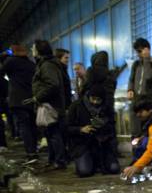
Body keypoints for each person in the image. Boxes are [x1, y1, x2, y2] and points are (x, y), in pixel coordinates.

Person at [32, 40, 71, 169]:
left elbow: (53, 84)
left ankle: (59, 161)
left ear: (38, 50)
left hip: (51, 105)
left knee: (54, 133)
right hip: (54, 104)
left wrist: (38, 96)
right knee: (50, 133)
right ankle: (53, 159)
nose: (32, 50)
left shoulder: (47, 65)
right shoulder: (47, 64)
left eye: (33, 48)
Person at [66, 85, 119, 177]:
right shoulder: (76, 106)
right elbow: (66, 128)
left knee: (114, 168)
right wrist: (80, 129)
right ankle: (88, 162)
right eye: (93, 99)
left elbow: (112, 129)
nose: (95, 102)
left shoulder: (107, 108)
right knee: (84, 172)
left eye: (98, 100)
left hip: (103, 146)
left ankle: (98, 162)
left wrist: (103, 127)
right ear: (88, 96)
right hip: (83, 145)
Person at [0, 44, 37, 160]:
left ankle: (30, 152)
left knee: (24, 125)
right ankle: (34, 149)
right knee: (32, 125)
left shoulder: (11, 61)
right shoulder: (31, 64)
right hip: (30, 98)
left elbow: (1, 72)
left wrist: (3, 57)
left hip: (17, 99)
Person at [128, 38, 152, 138]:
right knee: (135, 131)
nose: (138, 54)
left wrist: (147, 59)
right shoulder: (136, 65)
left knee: (149, 131)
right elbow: (131, 79)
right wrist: (130, 89)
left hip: (150, 104)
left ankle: (149, 151)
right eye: (137, 52)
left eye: (140, 51)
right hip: (137, 102)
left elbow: (149, 77)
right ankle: (136, 151)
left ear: (146, 49)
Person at [80, 51, 119, 120]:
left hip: (94, 107)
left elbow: (85, 87)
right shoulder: (111, 74)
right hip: (108, 106)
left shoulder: (91, 71)